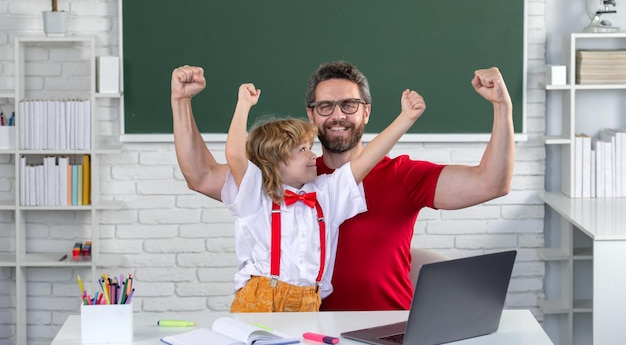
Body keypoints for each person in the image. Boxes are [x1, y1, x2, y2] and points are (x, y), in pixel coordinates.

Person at [171, 62, 514, 311]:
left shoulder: (400, 175)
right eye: (326, 106)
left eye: (349, 105)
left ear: (366, 112)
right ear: (312, 115)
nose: (338, 115)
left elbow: (491, 183)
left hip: (386, 329)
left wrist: (502, 107)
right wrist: (182, 102)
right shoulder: (282, 178)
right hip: (306, 331)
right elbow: (200, 175)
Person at [221, 80, 424, 312]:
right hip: (260, 299)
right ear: (275, 162)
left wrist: (406, 118)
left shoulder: (326, 193)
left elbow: (367, 158)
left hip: (310, 301)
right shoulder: (255, 196)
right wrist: (244, 105)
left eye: (310, 147)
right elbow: (235, 155)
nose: (312, 155)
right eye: (302, 150)